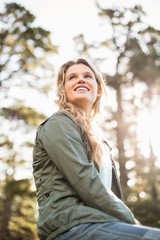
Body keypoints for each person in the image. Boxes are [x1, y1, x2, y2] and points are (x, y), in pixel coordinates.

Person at [33, 58, 160, 240]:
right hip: (71, 225)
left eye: (87, 76)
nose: (81, 80)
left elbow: (111, 195)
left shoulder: (102, 144)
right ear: (63, 89)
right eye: (72, 77)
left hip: (103, 223)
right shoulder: (58, 123)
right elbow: (84, 179)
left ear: (98, 89)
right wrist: (132, 223)